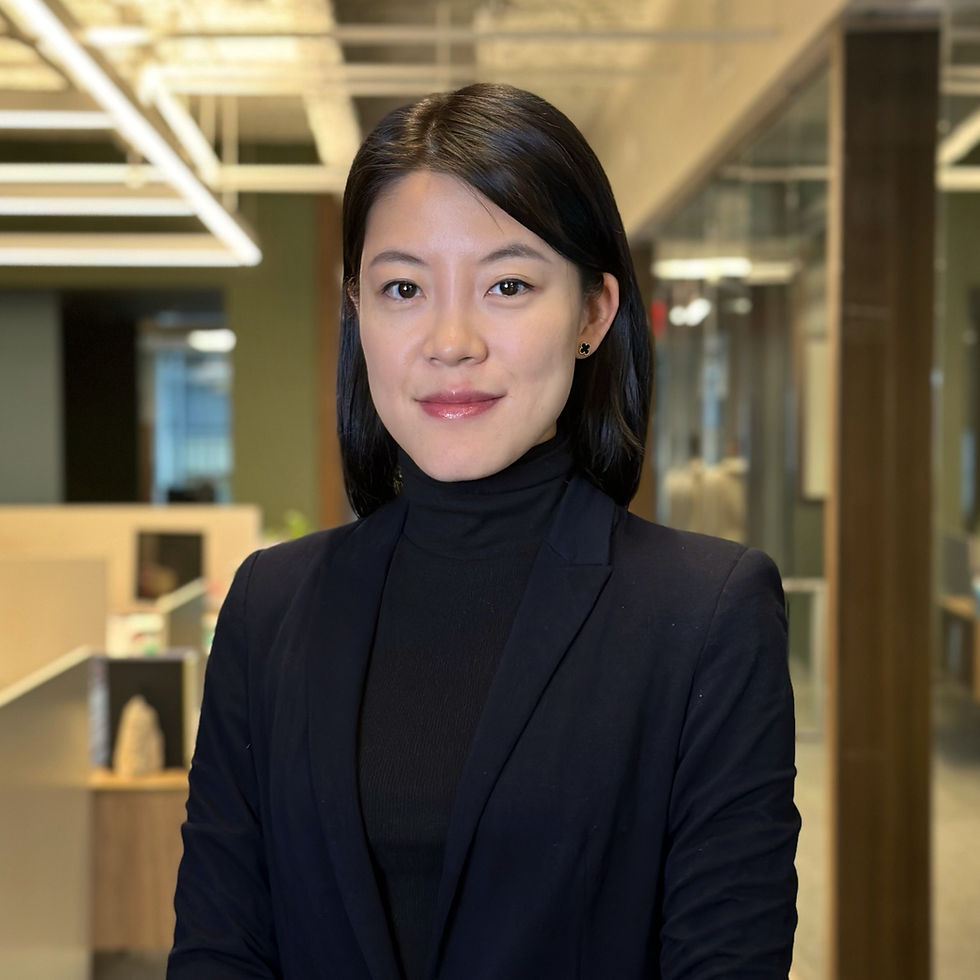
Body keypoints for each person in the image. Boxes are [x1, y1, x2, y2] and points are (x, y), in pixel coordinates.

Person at [168, 83, 799, 980]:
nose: (451, 340)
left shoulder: (707, 615)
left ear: (593, 313)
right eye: (403, 288)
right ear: (358, 311)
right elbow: (219, 948)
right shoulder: (270, 606)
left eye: (508, 284)